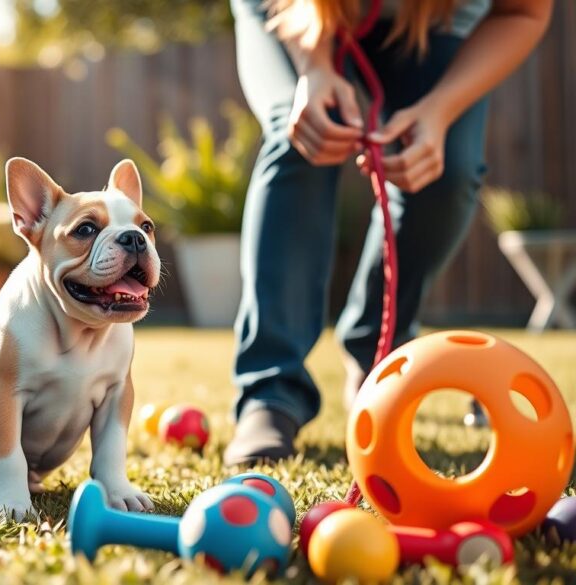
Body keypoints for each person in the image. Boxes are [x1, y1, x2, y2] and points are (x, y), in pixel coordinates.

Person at [224, 0, 554, 465]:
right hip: (287, 11)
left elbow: (523, 12)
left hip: (434, 26)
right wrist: (313, 69)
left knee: (448, 169)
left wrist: (439, 110)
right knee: (300, 137)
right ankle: (270, 394)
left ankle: (375, 352)